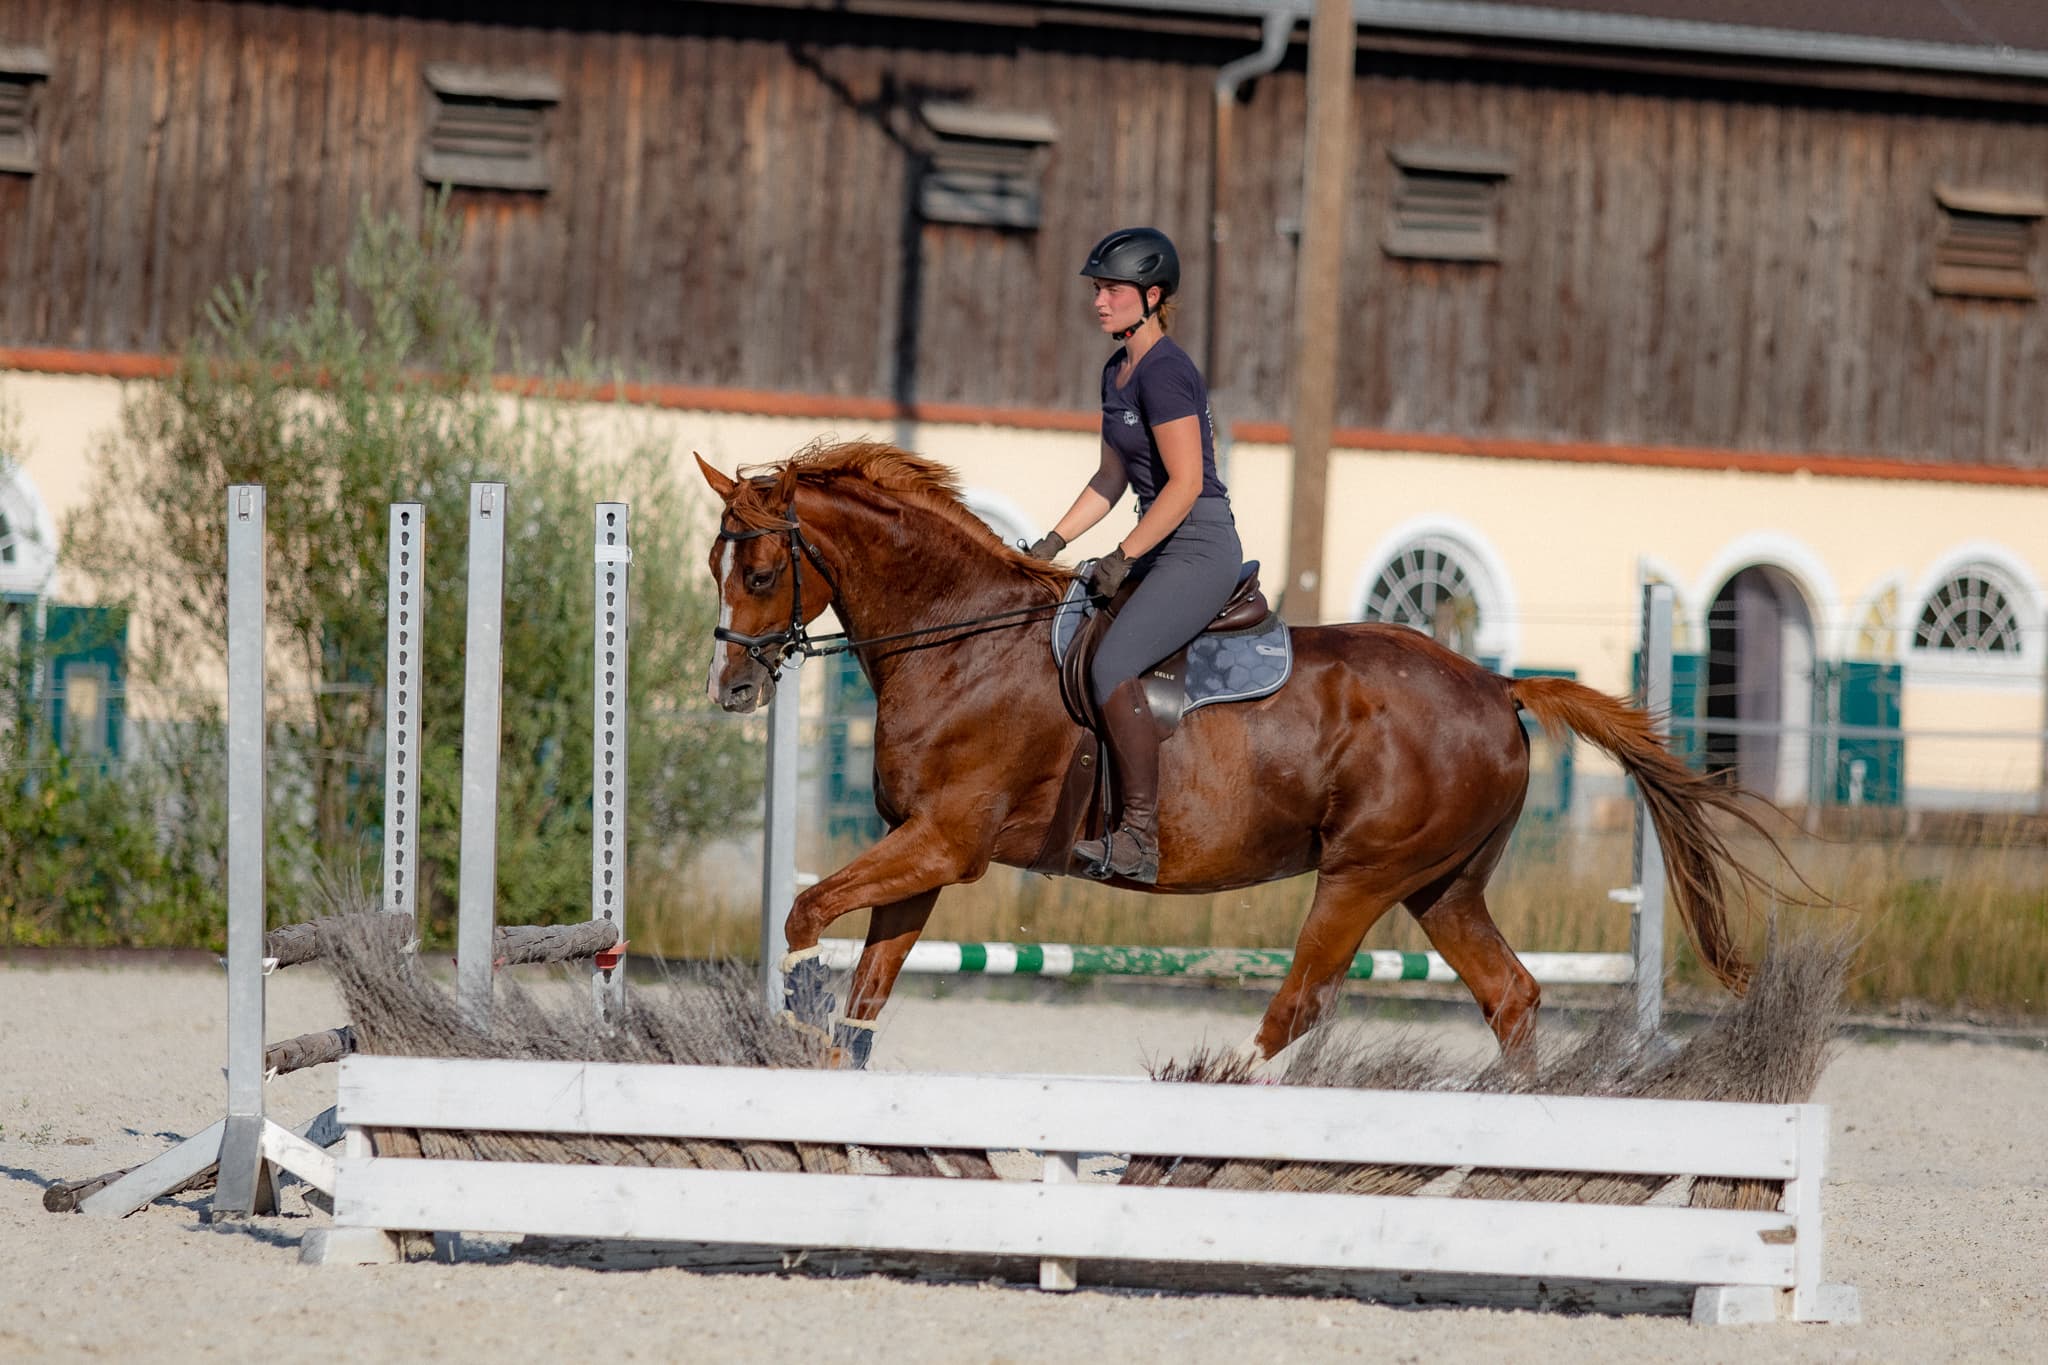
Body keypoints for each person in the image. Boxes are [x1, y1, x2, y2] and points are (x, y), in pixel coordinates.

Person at [1024, 227, 1244, 883]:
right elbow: (1110, 479)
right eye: (1096, 289)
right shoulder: (1115, 371)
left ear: (1151, 296)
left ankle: (1140, 838)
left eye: (1112, 290)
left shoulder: (1168, 371)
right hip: (1156, 541)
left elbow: (1184, 484)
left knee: (1113, 660)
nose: (1099, 301)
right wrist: (1051, 543)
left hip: (1198, 543)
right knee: (1076, 638)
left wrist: (1121, 555)